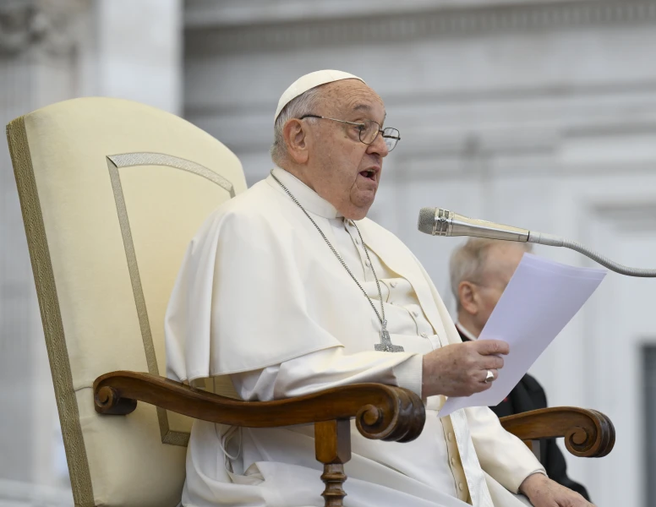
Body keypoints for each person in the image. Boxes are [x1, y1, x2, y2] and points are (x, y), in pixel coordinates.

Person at [165, 69, 594, 507]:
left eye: (383, 130)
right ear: (298, 138)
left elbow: (456, 406)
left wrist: (532, 480)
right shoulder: (249, 224)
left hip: (428, 480)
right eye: (359, 127)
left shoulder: (385, 243)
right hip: (316, 474)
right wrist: (419, 373)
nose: (381, 147)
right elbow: (271, 378)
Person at [450, 239, 591, 501]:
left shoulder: (529, 388)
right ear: (470, 297)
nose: (533, 303)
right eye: (517, 289)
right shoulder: (441, 379)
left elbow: (555, 480)